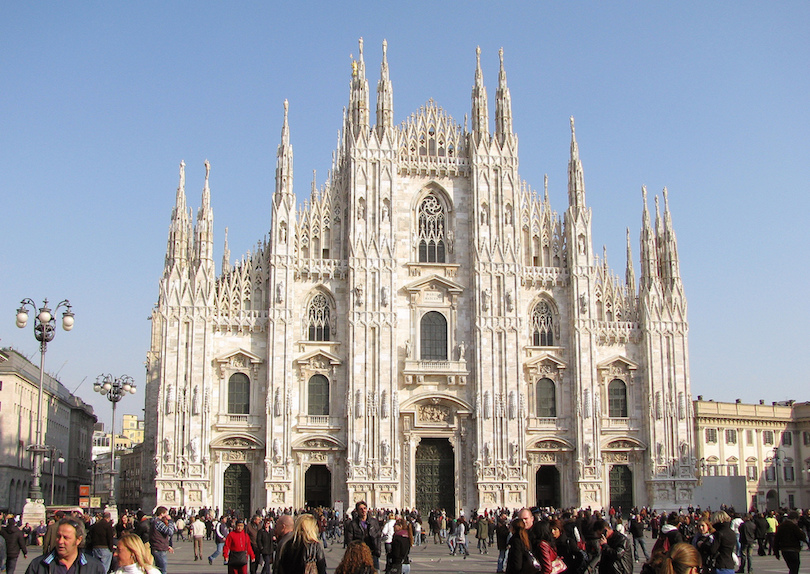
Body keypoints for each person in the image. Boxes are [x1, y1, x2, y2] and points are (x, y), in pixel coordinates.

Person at [24, 517, 105, 574]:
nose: (60, 541)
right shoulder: (38, 565)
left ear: (78, 540)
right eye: (58, 536)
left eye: (66, 538)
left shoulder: (94, 568)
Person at [345, 501, 382, 570]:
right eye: (361, 509)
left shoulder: (373, 522)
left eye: (365, 508)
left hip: (372, 553)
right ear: (357, 511)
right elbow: (349, 541)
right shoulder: (353, 524)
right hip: (359, 554)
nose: (363, 510)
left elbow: (378, 537)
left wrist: (378, 550)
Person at [773, 510, 807, 574]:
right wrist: (801, 531)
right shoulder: (794, 526)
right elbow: (802, 537)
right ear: (795, 519)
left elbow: (776, 539)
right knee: (795, 568)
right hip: (793, 549)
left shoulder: (781, 526)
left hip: (784, 550)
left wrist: (776, 552)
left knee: (791, 568)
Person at [149, 506, 176, 574]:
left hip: (158, 548)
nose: (167, 516)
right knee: (163, 571)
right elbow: (170, 532)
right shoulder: (158, 522)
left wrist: (167, 546)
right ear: (161, 514)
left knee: (159, 570)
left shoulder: (155, 521)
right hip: (159, 549)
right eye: (166, 514)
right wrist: (170, 521)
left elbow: (158, 537)